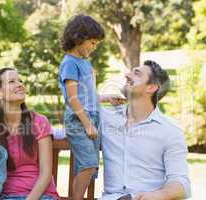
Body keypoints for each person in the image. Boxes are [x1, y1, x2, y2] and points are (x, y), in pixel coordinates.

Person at [99, 60, 191, 200]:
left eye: (136, 73)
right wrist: (101, 98)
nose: (127, 75)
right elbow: (73, 113)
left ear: (151, 87)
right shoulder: (106, 117)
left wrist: (156, 196)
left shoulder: (170, 131)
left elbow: (182, 184)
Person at [58, 14, 124, 200]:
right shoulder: (70, 63)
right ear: (78, 38)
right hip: (79, 120)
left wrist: (106, 98)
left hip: (92, 118)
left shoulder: (84, 62)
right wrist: (87, 124)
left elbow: (86, 96)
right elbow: (72, 99)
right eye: (92, 43)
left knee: (91, 167)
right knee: (88, 165)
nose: (94, 48)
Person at [0, 68, 59, 200]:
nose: (20, 84)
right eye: (12, 81)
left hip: (40, 195)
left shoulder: (39, 122)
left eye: (20, 81)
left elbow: (46, 173)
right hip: (5, 196)